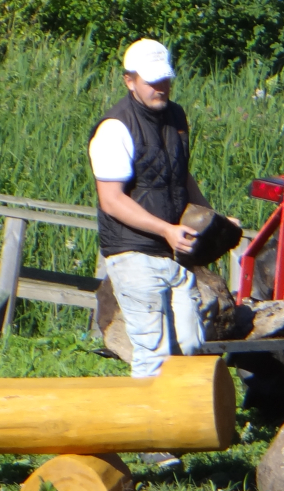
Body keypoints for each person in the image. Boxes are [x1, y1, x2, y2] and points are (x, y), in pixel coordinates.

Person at [89, 38, 212, 379]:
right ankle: (149, 429)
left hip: (173, 252)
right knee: (153, 355)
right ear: (129, 80)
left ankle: (186, 426)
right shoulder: (115, 128)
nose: (161, 87)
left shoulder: (176, 116)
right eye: (151, 80)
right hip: (133, 252)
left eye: (165, 79)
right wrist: (166, 230)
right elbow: (111, 200)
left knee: (191, 345)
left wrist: (210, 218)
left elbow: (180, 173)